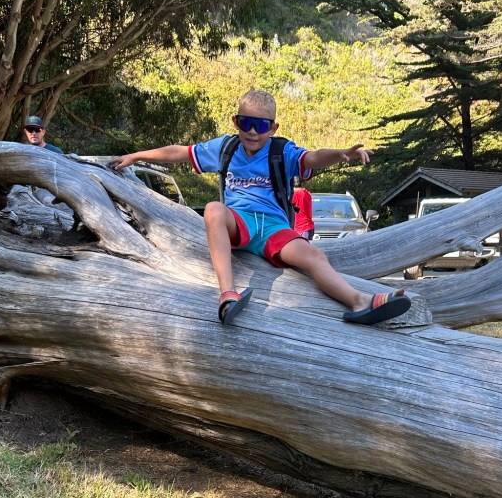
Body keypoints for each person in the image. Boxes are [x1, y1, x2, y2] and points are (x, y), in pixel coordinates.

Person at [110, 89, 410, 326]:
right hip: (238, 223)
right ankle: (227, 293)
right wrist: (136, 156)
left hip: (274, 228)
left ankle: (359, 302)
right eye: (246, 123)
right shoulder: (226, 148)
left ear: (273, 127)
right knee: (213, 209)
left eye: (262, 125)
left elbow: (312, 158)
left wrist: (340, 153)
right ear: (235, 122)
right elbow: (181, 152)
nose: (253, 132)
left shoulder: (282, 150)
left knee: (314, 256)